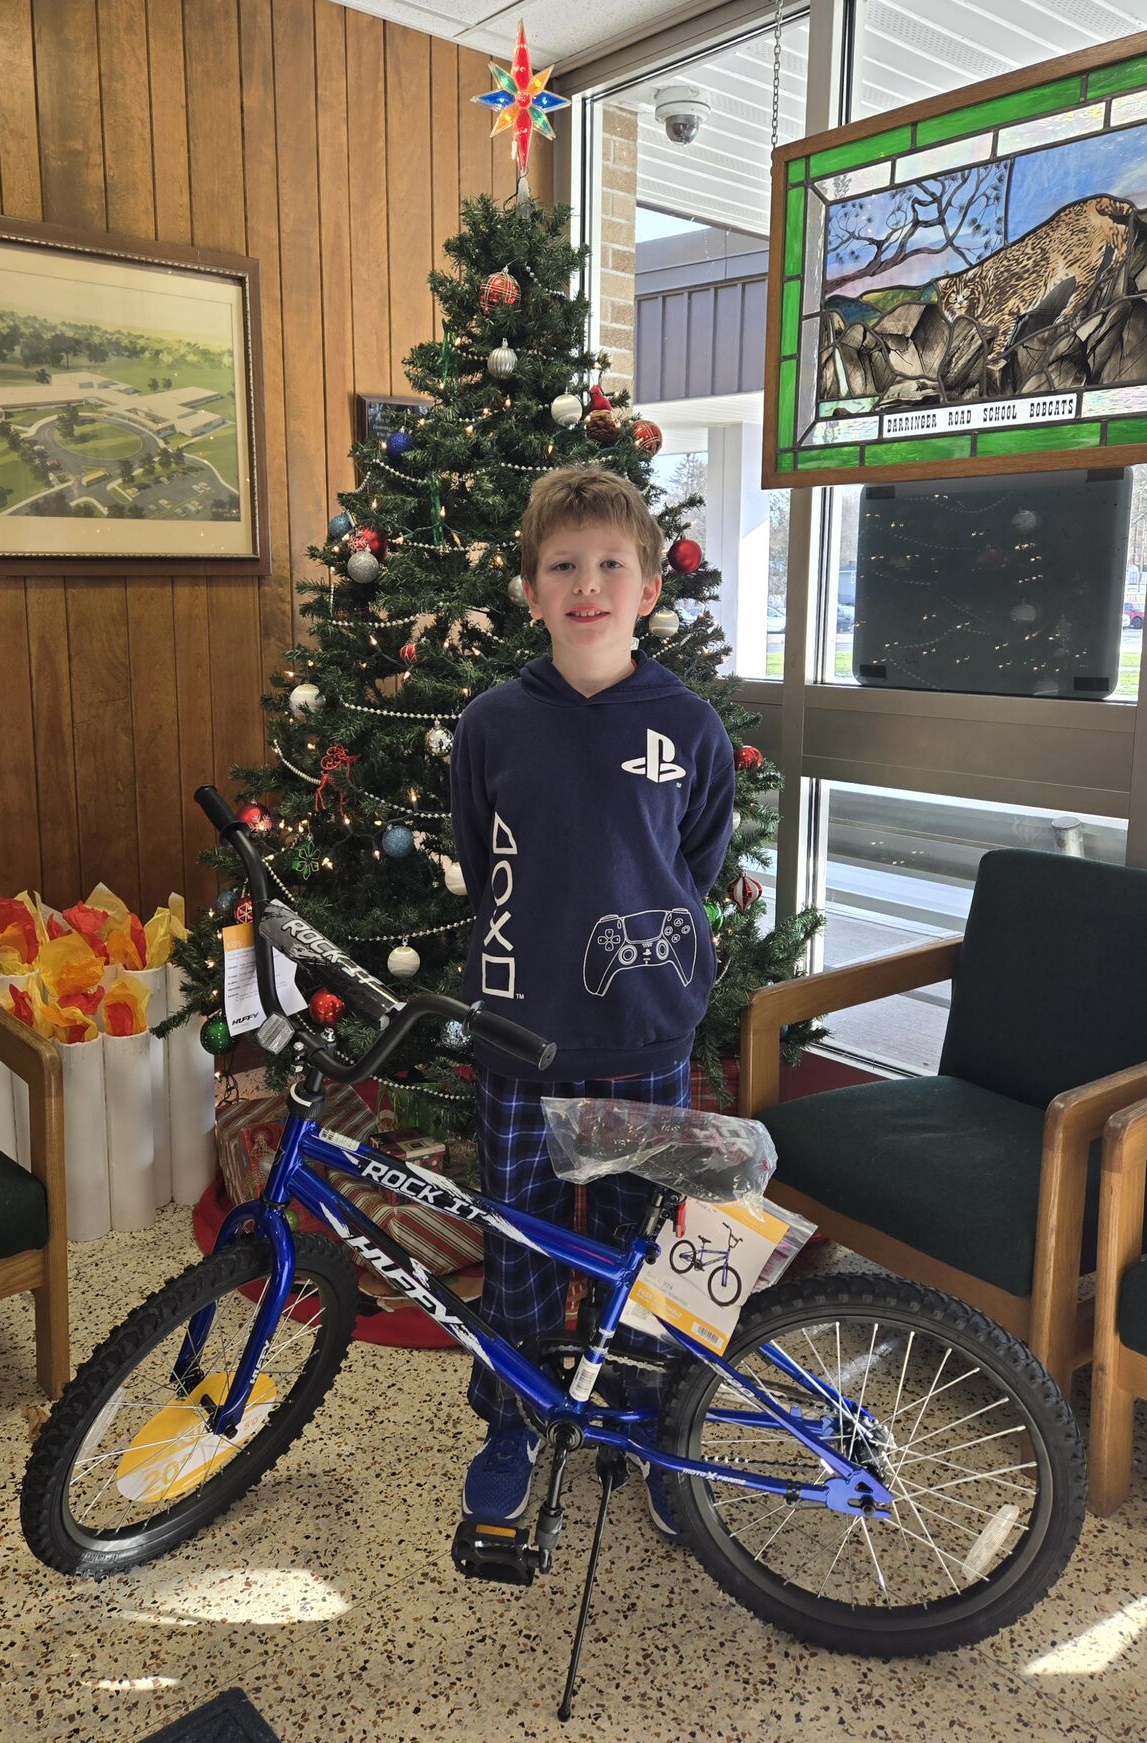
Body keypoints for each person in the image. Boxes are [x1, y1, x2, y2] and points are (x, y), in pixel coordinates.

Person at [448, 465, 736, 1536]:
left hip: (645, 1033)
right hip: (519, 1032)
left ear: (649, 588)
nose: (587, 583)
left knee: (637, 1246)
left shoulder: (691, 727)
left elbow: (692, 865)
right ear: (531, 591)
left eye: (611, 563)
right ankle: (517, 1418)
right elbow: (485, 862)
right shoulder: (491, 726)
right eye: (563, 565)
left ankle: (652, 1418)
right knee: (520, 1239)